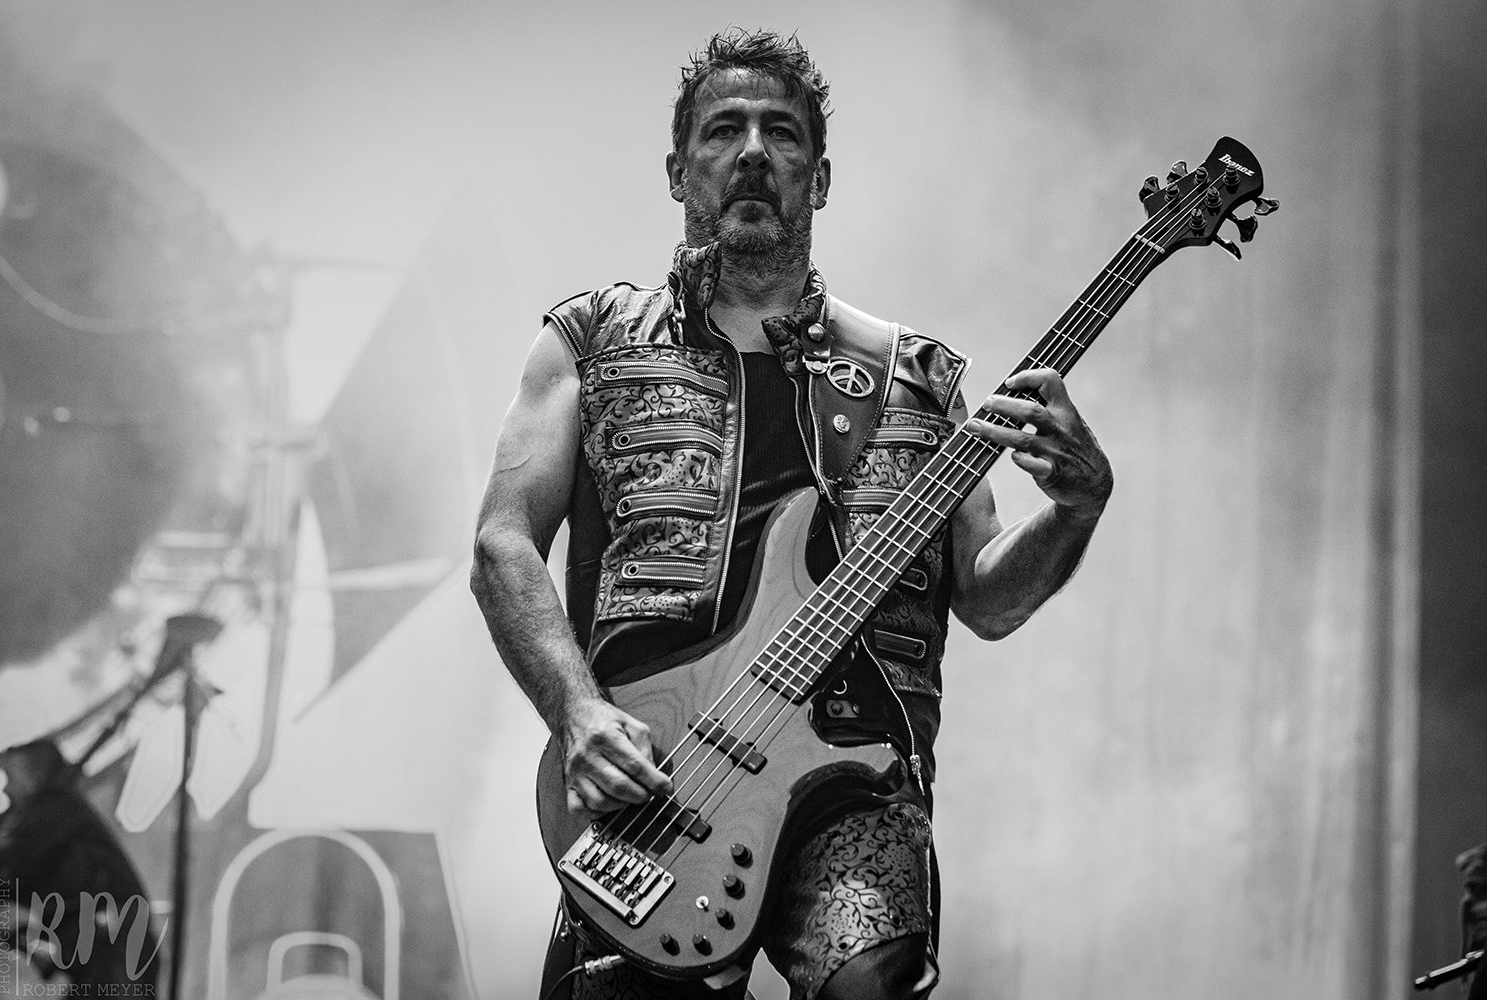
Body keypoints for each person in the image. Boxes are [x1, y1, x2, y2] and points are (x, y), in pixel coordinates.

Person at [470, 28, 1112, 1000]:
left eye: (782, 133)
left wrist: (1076, 506)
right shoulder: (591, 341)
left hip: (855, 780)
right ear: (678, 171)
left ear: (820, 177)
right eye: (723, 130)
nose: (754, 152)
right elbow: (502, 542)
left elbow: (988, 596)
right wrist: (578, 713)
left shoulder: (912, 377)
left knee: (873, 979)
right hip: (660, 781)